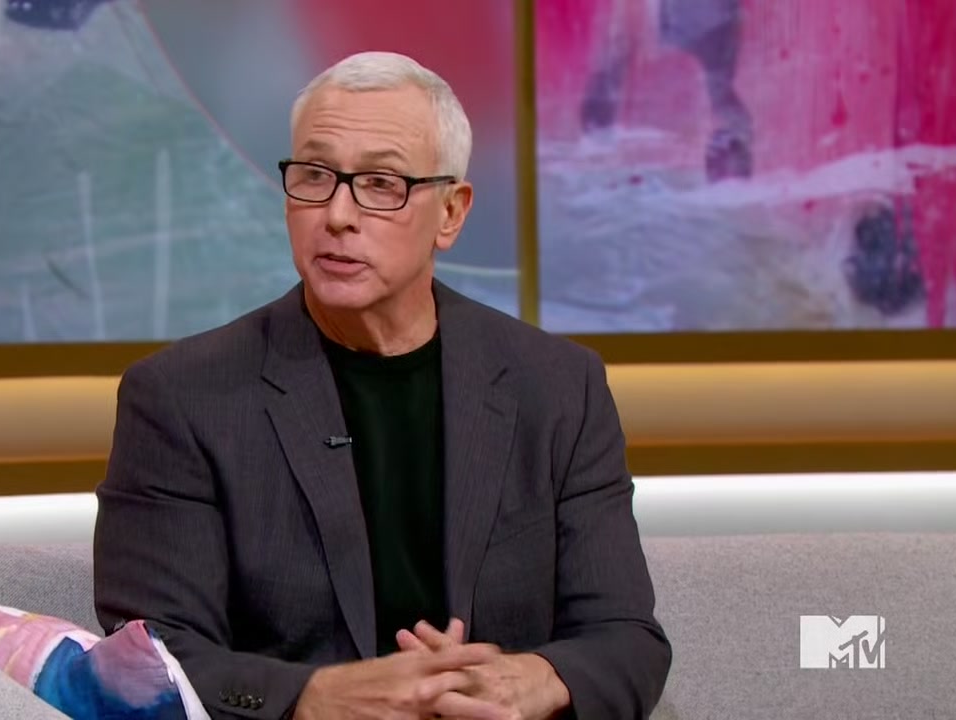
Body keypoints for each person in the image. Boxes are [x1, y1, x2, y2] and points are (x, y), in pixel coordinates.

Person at [95, 51, 671, 720]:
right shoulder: (183, 398)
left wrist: (532, 679)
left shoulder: (557, 387)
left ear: (451, 213)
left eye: (380, 183)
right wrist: (311, 696)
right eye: (314, 176)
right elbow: (148, 658)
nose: (337, 213)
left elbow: (626, 638)